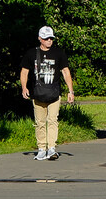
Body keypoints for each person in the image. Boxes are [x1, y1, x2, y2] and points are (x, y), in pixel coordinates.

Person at [19, 24, 74, 161]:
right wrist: (24, 87)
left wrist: (70, 91)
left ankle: (52, 148)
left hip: (54, 93)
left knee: (53, 120)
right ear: (39, 38)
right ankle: (41, 148)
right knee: (40, 122)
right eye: (46, 38)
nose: (49, 41)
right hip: (37, 93)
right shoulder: (31, 53)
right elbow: (24, 72)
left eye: (51, 38)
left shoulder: (59, 53)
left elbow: (65, 72)